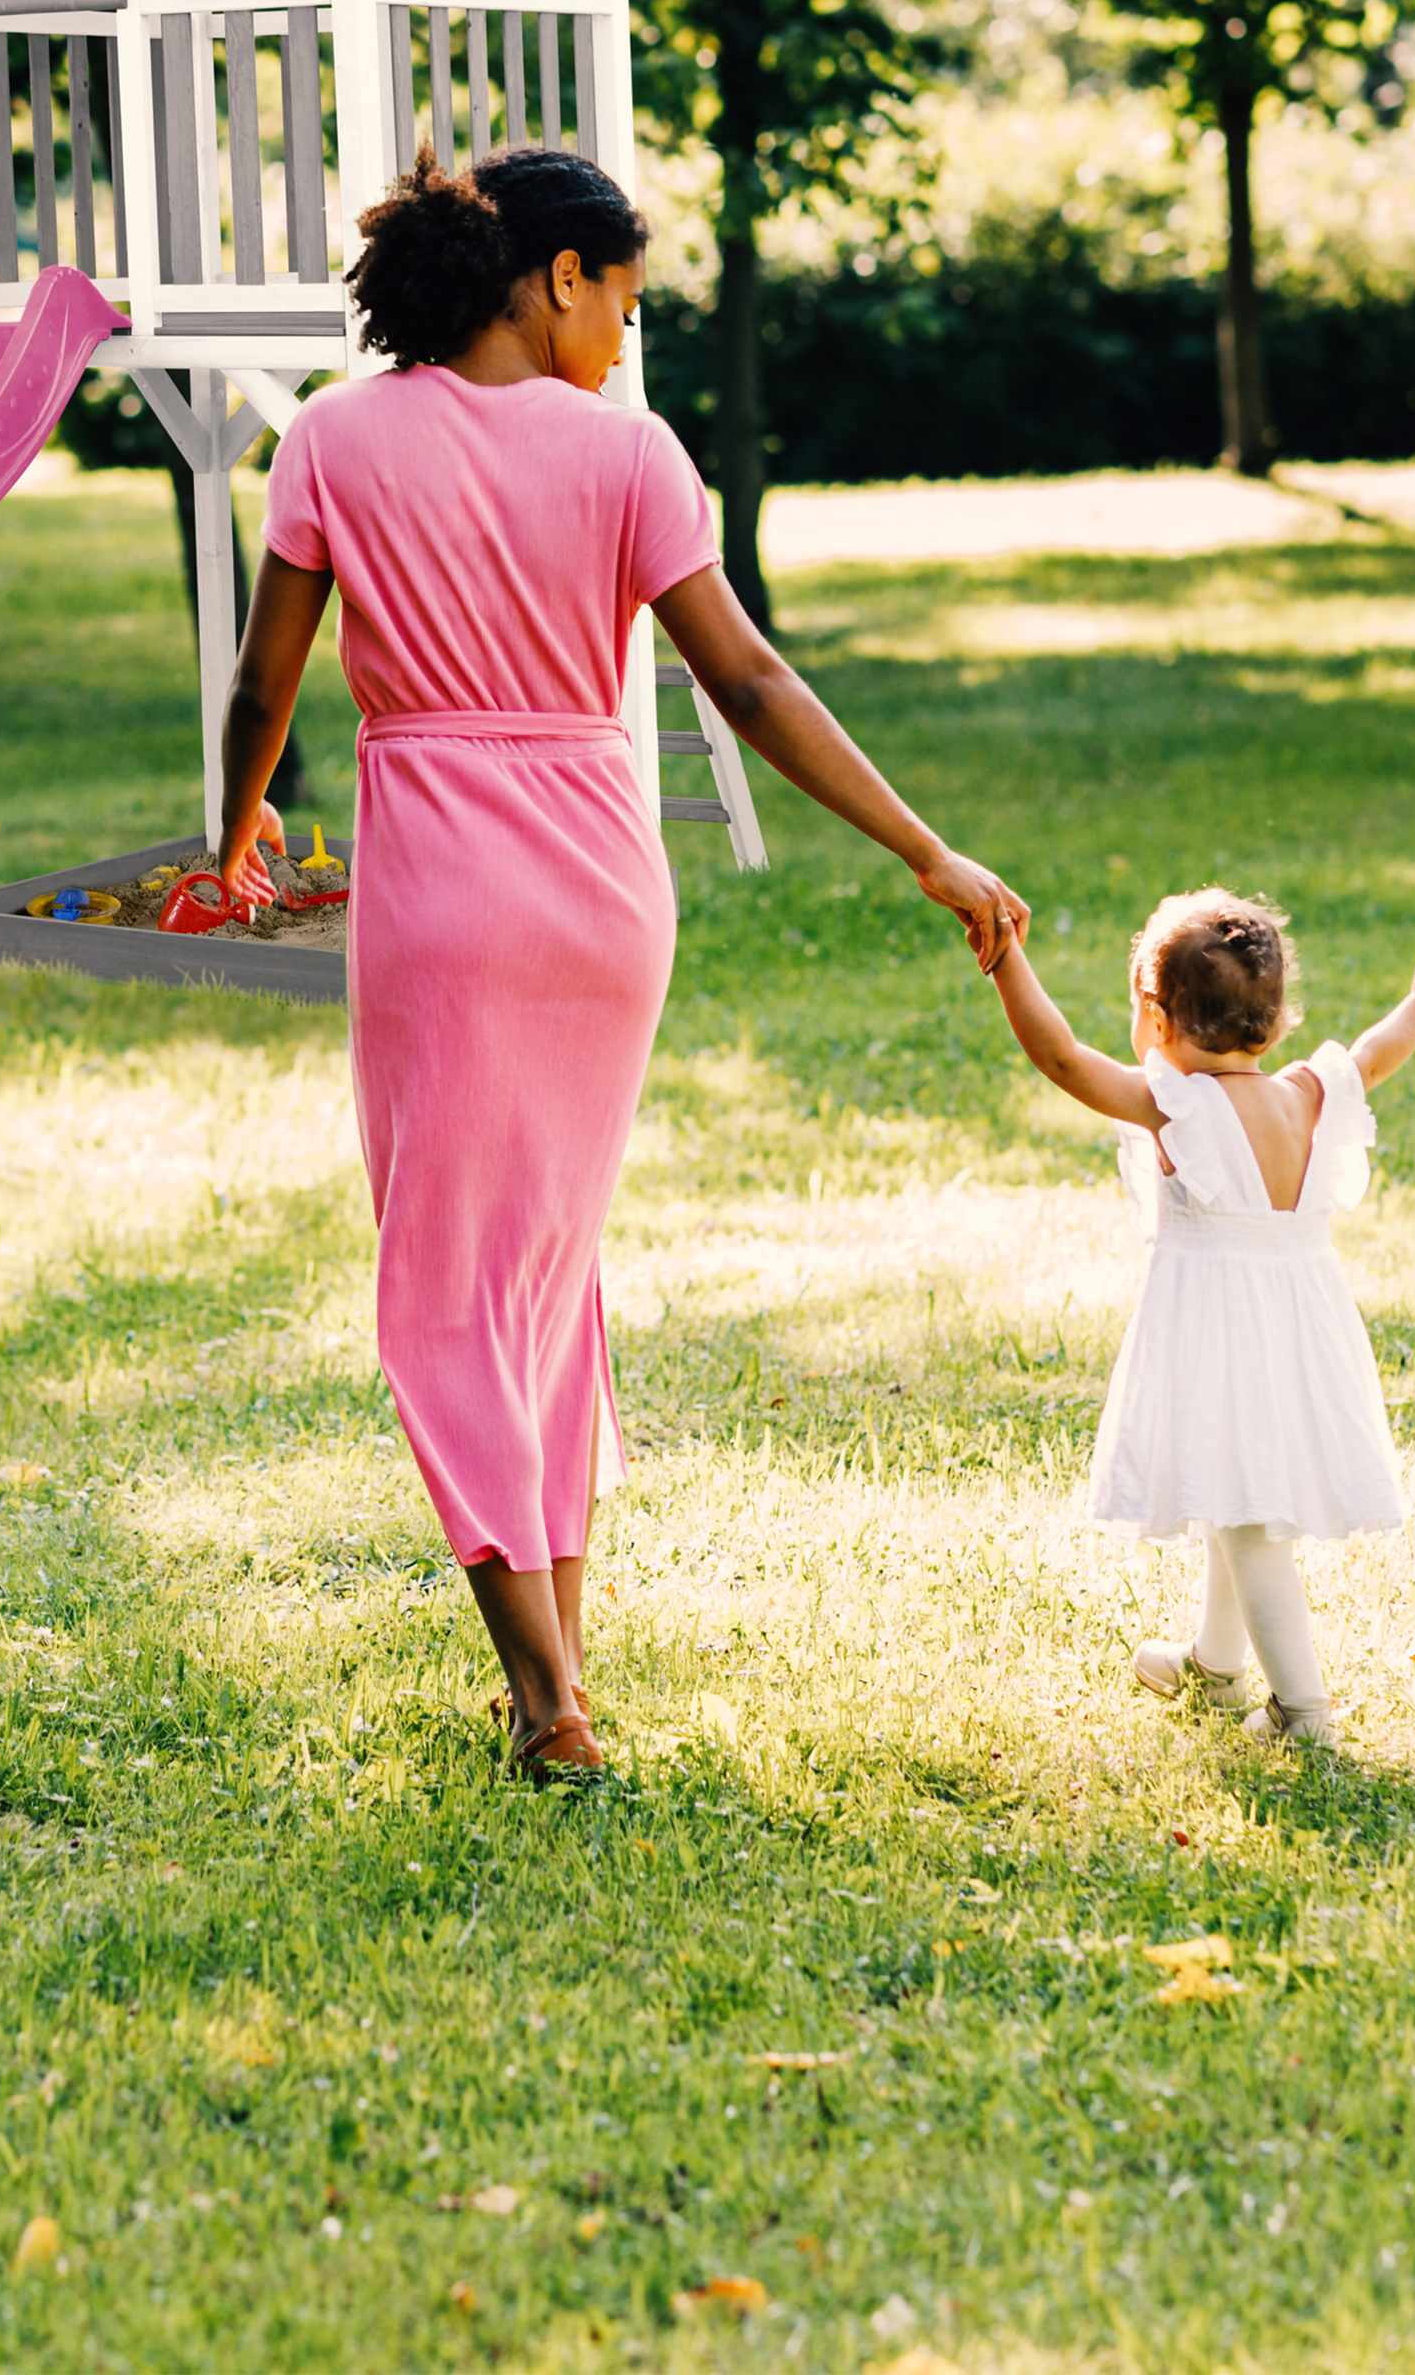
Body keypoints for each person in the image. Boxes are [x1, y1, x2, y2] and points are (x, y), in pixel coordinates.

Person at [210, 147, 1028, 1782]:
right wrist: (924, 846)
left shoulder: (332, 439)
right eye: (627, 301)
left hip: (440, 890)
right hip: (601, 891)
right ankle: (562, 1667)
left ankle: (546, 1701)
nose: (627, 338)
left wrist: (231, 836)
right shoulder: (631, 456)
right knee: (544, 1278)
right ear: (557, 277)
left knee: (447, 1288)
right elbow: (749, 683)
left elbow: (264, 685)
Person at [981, 890, 1415, 1746]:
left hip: (1221, 1335)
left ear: (1157, 1017)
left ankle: (1302, 1712)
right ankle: (1214, 1665)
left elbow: (1061, 1058)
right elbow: (1375, 1051)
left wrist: (1005, 959)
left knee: (1248, 1524)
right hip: (1299, 1331)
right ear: (1276, 1022)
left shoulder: (1178, 1108)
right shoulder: (1309, 1094)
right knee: (1231, 1490)